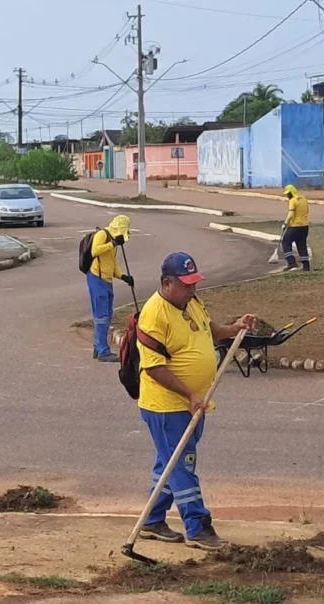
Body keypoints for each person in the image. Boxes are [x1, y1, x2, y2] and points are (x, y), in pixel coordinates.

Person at [136, 252, 256, 550]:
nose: (192, 289)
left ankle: (152, 519)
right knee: (183, 465)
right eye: (186, 284)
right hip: (167, 406)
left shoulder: (191, 303)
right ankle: (197, 526)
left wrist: (234, 328)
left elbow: (208, 328)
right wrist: (189, 394)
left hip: (193, 403)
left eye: (194, 283)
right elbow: (153, 368)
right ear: (167, 283)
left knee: (170, 460)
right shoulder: (153, 315)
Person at [88, 214, 135, 363]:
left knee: (107, 314)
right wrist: (113, 243)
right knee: (101, 316)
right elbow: (94, 251)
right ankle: (103, 350)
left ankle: (98, 346)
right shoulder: (102, 234)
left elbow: (112, 265)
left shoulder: (114, 243)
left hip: (107, 280)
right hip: (96, 279)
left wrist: (124, 277)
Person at [281, 184, 310, 272]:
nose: (287, 196)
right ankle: (306, 266)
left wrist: (285, 223)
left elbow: (291, 214)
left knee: (285, 242)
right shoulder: (304, 199)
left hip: (295, 226)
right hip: (305, 226)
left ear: (291, 193)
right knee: (302, 244)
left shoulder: (293, 201)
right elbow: (307, 210)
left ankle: (291, 262)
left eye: (288, 194)